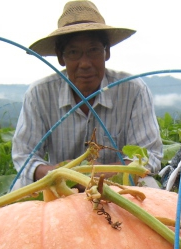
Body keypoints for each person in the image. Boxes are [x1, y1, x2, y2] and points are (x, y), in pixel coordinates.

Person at [11, 0, 163, 189]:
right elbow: (23, 156)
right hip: (61, 187)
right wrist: (56, 173)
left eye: (93, 51)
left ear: (106, 52)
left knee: (149, 185)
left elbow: (150, 156)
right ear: (60, 57)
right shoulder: (39, 94)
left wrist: (101, 173)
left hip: (116, 186)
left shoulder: (133, 90)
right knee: (19, 187)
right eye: (74, 52)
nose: (85, 63)